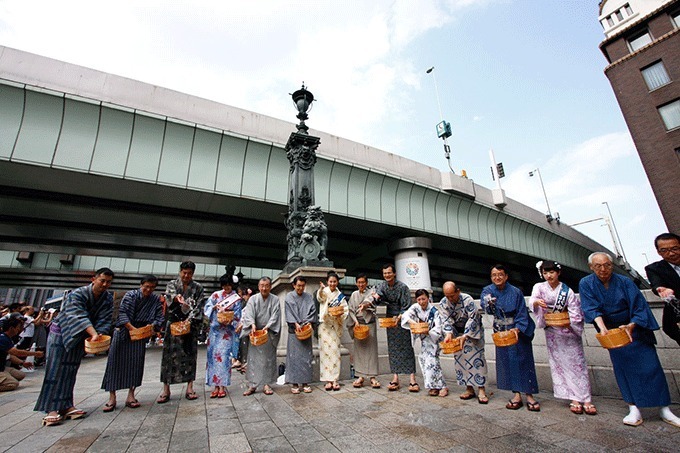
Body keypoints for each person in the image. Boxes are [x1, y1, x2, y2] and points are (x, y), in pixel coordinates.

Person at [580, 252, 680, 427]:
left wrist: (632, 325)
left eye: (607, 265)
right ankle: (633, 408)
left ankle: (664, 408)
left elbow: (639, 306)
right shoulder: (586, 283)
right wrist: (603, 329)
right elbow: (591, 308)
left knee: (652, 367)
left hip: (635, 328)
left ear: (612, 265)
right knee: (623, 369)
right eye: (598, 266)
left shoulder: (625, 282)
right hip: (612, 332)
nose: (603, 269)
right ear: (591, 267)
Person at [34, 268, 114, 426]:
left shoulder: (107, 299)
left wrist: (99, 335)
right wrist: (93, 332)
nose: (105, 284)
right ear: (94, 279)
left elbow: (105, 319)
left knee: (71, 370)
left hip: (82, 337)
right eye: (102, 280)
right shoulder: (77, 294)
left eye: (109, 282)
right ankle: (52, 409)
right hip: (62, 334)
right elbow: (77, 315)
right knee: (54, 371)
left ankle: (66, 405)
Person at [530, 261, 596, 415]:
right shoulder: (538, 287)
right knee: (560, 365)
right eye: (545, 273)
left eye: (551, 272)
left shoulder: (567, 291)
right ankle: (573, 398)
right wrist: (536, 302)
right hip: (553, 332)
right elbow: (532, 301)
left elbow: (575, 310)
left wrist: (571, 325)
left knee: (578, 365)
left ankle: (586, 398)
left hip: (568, 331)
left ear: (558, 273)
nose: (549, 276)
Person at [481, 264, 540, 411]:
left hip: (517, 329)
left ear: (506, 276)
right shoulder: (488, 291)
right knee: (507, 362)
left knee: (524, 360)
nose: (497, 277)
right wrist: (488, 303)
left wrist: (518, 328)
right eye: (494, 275)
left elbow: (522, 312)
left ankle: (529, 394)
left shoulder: (516, 292)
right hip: (501, 331)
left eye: (500, 274)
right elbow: (486, 308)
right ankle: (516, 394)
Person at [101, 275, 164, 411]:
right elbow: (122, 313)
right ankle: (112, 397)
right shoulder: (131, 295)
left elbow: (159, 316)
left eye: (152, 287)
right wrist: (132, 329)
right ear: (141, 285)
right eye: (146, 286)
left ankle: (131, 395)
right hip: (124, 331)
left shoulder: (155, 299)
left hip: (141, 333)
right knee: (115, 363)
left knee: (135, 364)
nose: (148, 290)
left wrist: (152, 326)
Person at [158, 261, 205, 403]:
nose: (186, 275)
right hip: (173, 324)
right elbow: (170, 297)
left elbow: (199, 307)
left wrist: (189, 320)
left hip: (189, 326)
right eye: (184, 273)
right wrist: (176, 299)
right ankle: (166, 389)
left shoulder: (198, 288)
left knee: (190, 355)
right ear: (180, 272)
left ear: (193, 273)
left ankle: (190, 387)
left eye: (189, 273)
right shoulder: (172, 284)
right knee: (168, 357)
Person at [435, 281, 487, 403]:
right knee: (460, 360)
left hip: (472, 333)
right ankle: (469, 388)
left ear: (458, 291)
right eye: (447, 296)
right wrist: (448, 334)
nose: (450, 298)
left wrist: (465, 335)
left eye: (452, 295)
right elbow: (445, 320)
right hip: (455, 333)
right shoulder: (443, 302)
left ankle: (481, 389)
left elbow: (473, 318)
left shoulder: (467, 299)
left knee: (476, 359)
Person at [374, 264, 418, 392]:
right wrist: (376, 297)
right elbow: (379, 297)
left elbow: (407, 306)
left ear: (394, 273)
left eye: (389, 273)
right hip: (390, 319)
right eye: (385, 273)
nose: (387, 275)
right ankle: (395, 378)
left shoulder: (403, 287)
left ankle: (412, 379)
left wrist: (399, 316)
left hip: (403, 319)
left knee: (406, 347)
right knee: (393, 348)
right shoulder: (382, 285)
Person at [401, 289, 447, 397]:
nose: (421, 302)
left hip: (433, 338)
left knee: (433, 362)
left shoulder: (434, 311)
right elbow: (405, 316)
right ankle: (433, 386)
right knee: (425, 362)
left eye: (423, 299)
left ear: (428, 298)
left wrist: (428, 331)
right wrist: (415, 324)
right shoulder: (415, 308)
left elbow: (438, 327)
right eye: (419, 299)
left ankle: (443, 386)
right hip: (424, 339)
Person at [204, 273, 242, 399]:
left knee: (224, 358)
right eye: (224, 286)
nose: (227, 288)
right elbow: (207, 308)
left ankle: (222, 386)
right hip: (215, 332)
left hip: (227, 332)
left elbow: (238, 315)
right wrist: (214, 307)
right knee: (212, 359)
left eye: (229, 285)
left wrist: (231, 320)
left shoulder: (235, 298)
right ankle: (215, 385)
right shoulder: (215, 295)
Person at [241, 277, 280, 396]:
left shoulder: (275, 299)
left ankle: (267, 384)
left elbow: (275, 315)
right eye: (262, 285)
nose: (264, 288)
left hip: (268, 332)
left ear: (270, 287)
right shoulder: (253, 299)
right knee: (253, 360)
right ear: (258, 287)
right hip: (255, 332)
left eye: (266, 285)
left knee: (268, 359)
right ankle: (253, 384)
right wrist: (252, 325)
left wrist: (267, 327)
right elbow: (249, 314)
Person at [645, 232, 680, 345]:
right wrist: (662, 289)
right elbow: (656, 283)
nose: (671, 253)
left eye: (675, 248)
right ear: (659, 252)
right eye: (664, 250)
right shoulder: (654, 269)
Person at [346, 273, 380, 389]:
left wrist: (365, 306)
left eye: (363, 282)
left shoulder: (372, 293)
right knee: (359, 351)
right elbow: (350, 310)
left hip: (369, 323)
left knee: (372, 351)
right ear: (356, 283)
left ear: (367, 283)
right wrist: (355, 321)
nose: (361, 284)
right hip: (358, 325)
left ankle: (372, 377)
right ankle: (360, 376)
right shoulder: (354, 294)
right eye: (359, 282)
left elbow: (371, 302)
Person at [284, 276, 317, 394]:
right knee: (293, 357)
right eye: (298, 285)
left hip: (305, 329)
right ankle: (294, 383)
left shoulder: (308, 297)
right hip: (294, 330)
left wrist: (307, 322)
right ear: (294, 285)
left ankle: (305, 382)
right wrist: (295, 323)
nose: (300, 288)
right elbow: (288, 312)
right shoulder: (289, 296)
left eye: (303, 286)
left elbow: (313, 311)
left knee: (306, 357)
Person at [316, 271, 348, 391]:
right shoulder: (324, 292)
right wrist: (321, 289)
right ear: (327, 282)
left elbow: (345, 309)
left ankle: (334, 379)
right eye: (330, 281)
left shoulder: (340, 295)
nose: (333, 283)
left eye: (334, 281)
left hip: (335, 325)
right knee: (325, 353)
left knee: (335, 352)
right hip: (325, 326)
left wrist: (340, 315)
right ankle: (327, 380)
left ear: (337, 282)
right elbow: (320, 298)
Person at [1, 313, 44, 391]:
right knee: (13, 384)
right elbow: (16, 352)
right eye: (18, 328)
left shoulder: (8, 339)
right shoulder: (2, 338)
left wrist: (22, 363)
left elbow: (10, 355)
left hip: (2, 367)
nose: (20, 330)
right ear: (11, 328)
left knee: (20, 375)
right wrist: (35, 354)